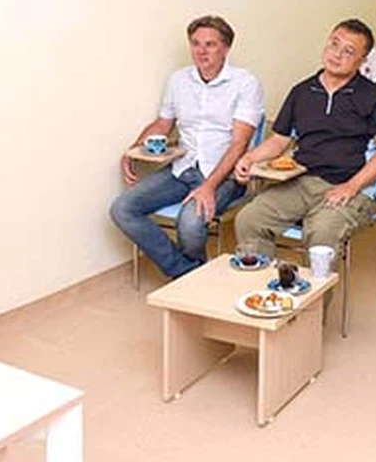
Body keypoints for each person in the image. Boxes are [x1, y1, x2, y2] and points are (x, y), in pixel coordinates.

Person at [109, 16, 263, 279]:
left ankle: (188, 279)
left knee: (189, 223)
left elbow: (240, 143)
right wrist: (131, 151)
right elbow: (163, 123)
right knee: (122, 209)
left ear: (226, 48)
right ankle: (188, 274)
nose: (201, 51)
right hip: (182, 168)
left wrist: (209, 187)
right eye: (195, 43)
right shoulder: (178, 80)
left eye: (210, 44)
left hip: (224, 174)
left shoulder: (245, 83)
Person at [234, 20, 376, 258]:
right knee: (249, 219)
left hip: (351, 184)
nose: (337, 54)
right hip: (300, 181)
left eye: (348, 51)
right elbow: (279, 140)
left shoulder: (374, 97)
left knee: (322, 233)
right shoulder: (302, 91)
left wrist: (352, 186)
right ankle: (263, 279)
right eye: (334, 44)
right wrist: (249, 158)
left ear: (362, 61)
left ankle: (318, 284)